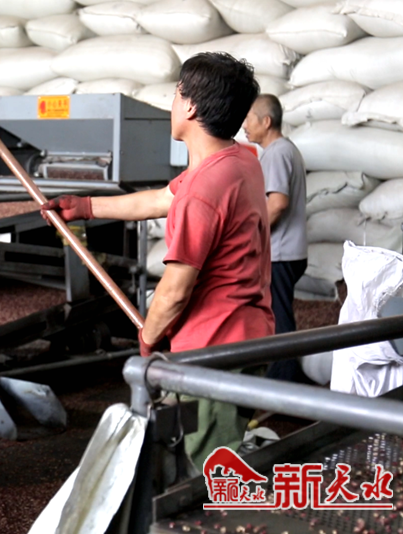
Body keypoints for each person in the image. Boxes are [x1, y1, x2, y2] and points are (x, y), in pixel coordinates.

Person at [41, 53, 272, 467]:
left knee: (207, 470)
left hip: (214, 349)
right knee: (201, 453)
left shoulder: (204, 189)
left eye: (177, 94)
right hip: (245, 336)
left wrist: (148, 338)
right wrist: (86, 207)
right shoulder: (239, 161)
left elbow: (175, 291)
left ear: (191, 107)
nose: (172, 103)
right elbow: (163, 199)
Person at [243, 94, 309, 383]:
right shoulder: (285, 150)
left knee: (279, 320)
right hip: (289, 251)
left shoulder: (277, 153)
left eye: (249, 119)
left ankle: (285, 382)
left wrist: (251, 237)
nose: (244, 126)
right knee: (277, 315)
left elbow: (278, 203)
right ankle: (288, 376)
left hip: (281, 253)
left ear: (266, 121)